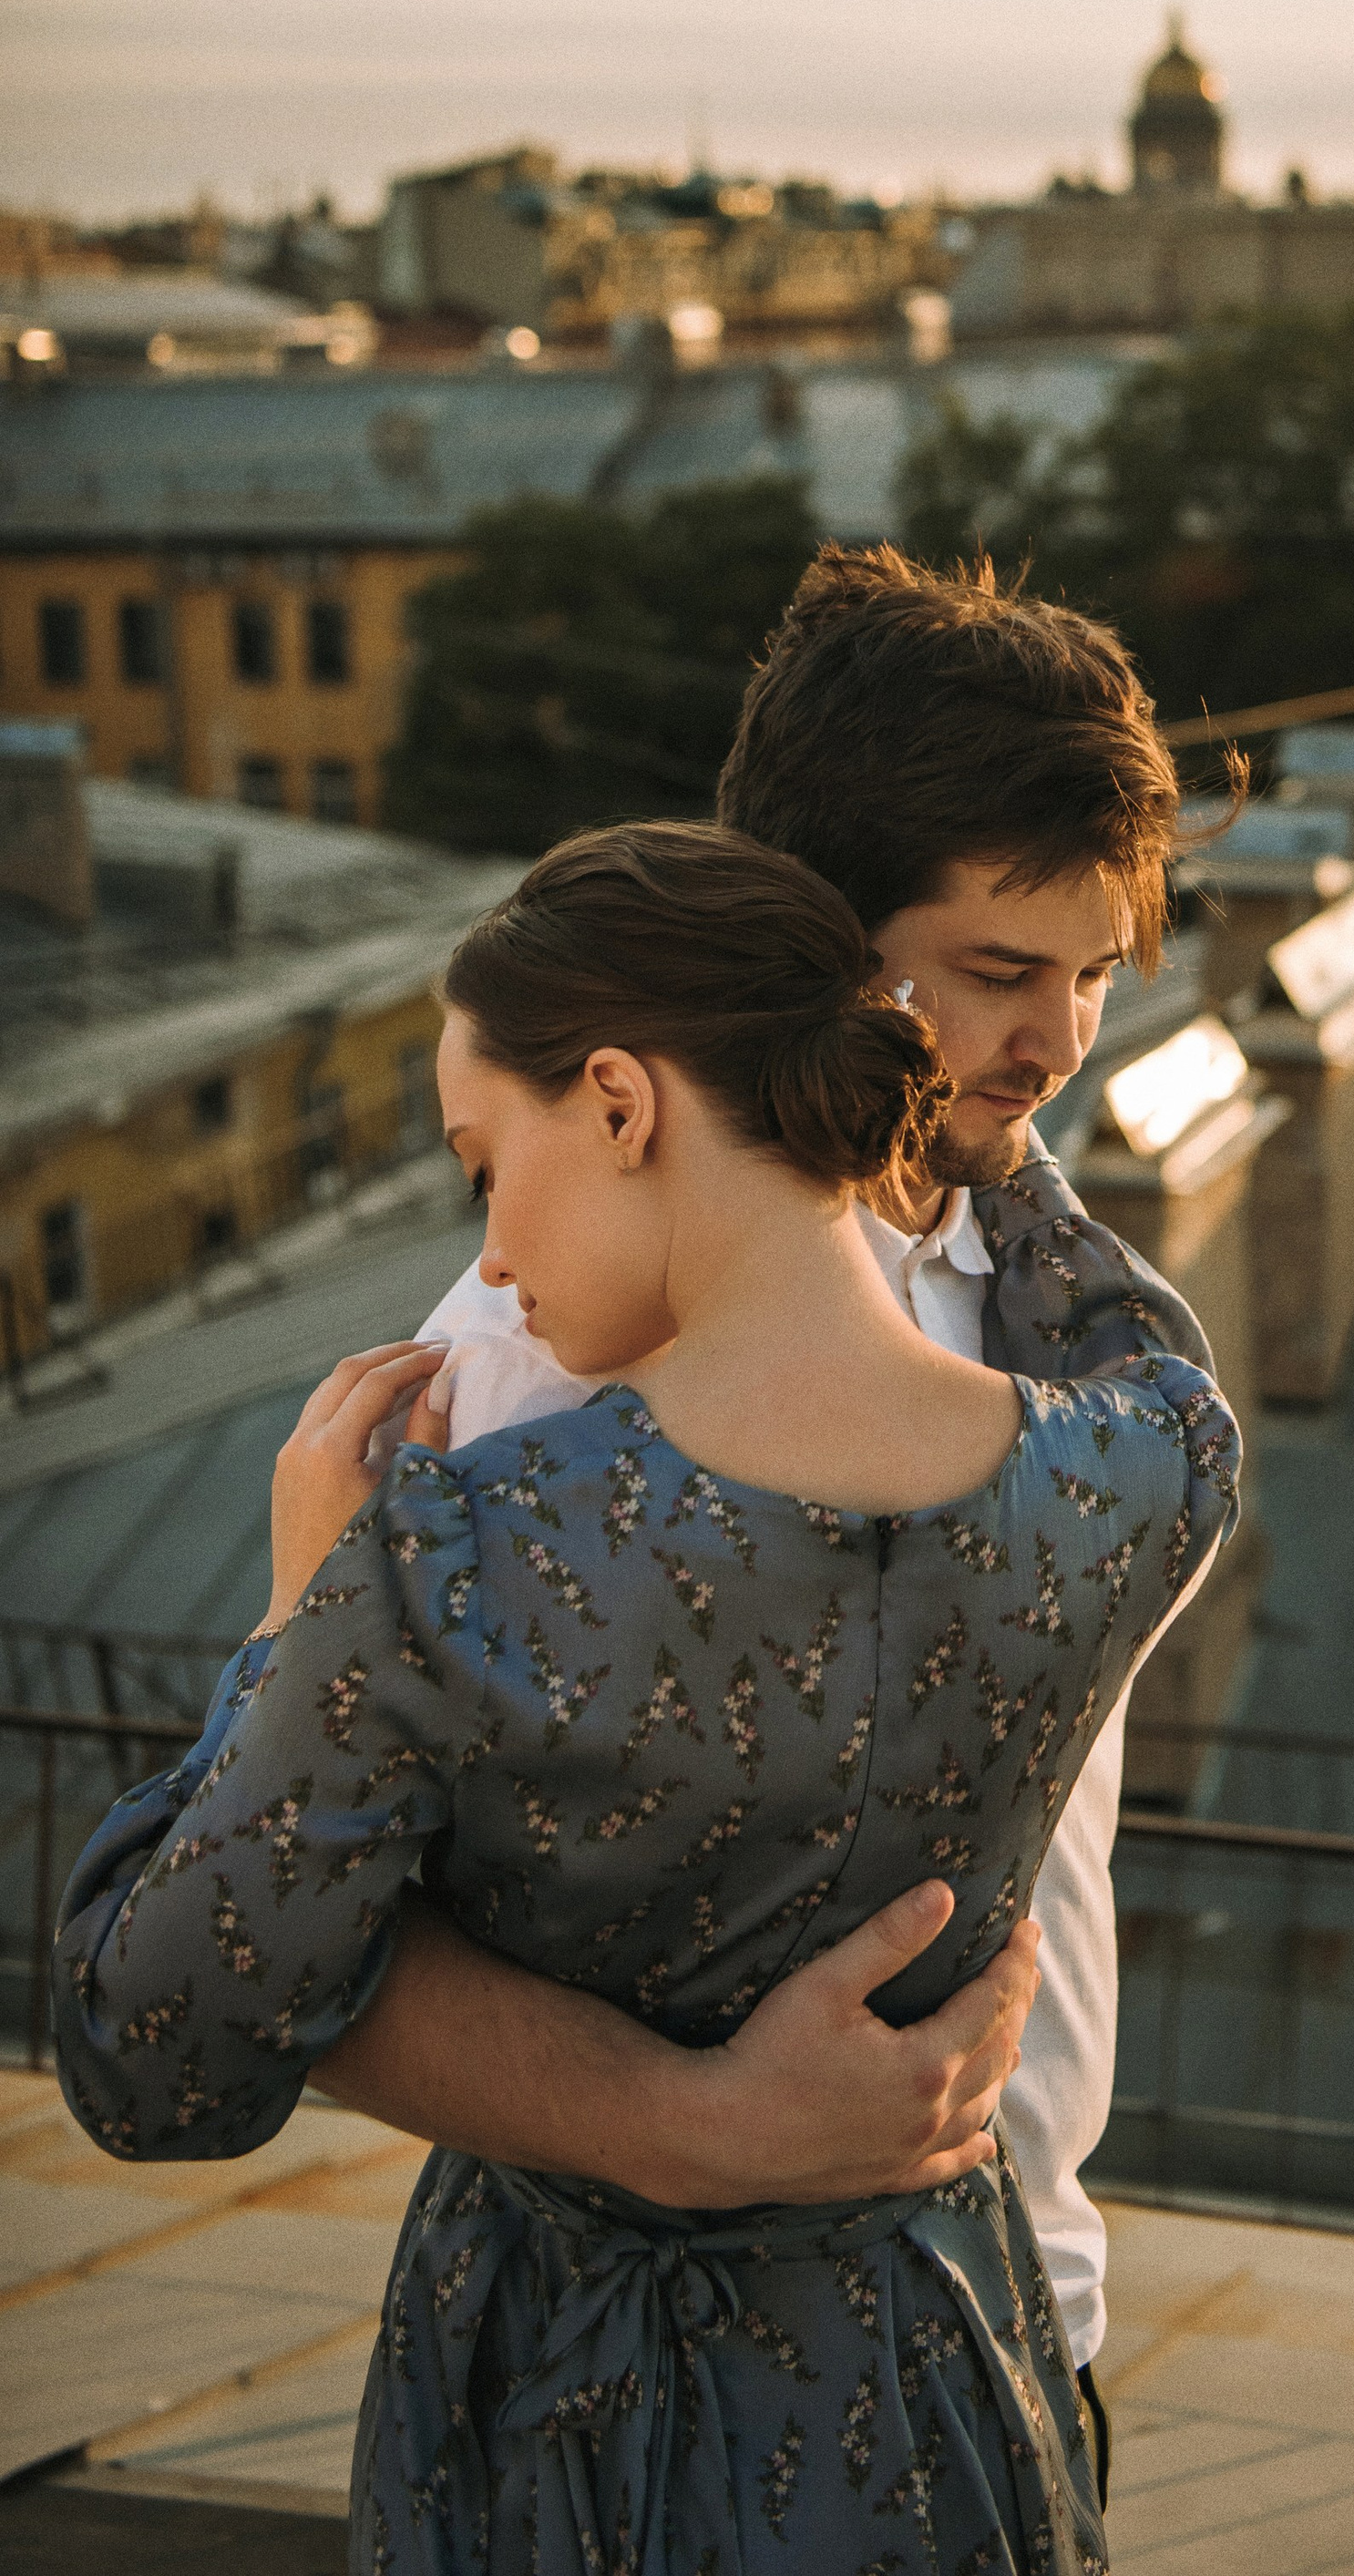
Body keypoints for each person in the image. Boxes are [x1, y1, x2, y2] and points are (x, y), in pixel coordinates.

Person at [56, 822, 1239, 2573]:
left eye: (484, 1163)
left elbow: (153, 2056)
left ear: (620, 1103)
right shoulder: (1146, 1472)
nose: (492, 1251)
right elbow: (1084, 1279)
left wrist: (301, 1616)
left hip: (551, 2415)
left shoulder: (444, 1567)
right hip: (940, 2387)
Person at [272, 548, 1233, 2464]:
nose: (1057, 1046)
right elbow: (302, 1958)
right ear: (811, 937)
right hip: (637, 2390)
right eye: (995, 974)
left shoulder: (1058, 1308)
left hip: (1020, 2324)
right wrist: (696, 2126)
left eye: (1094, 976)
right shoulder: (532, 1354)